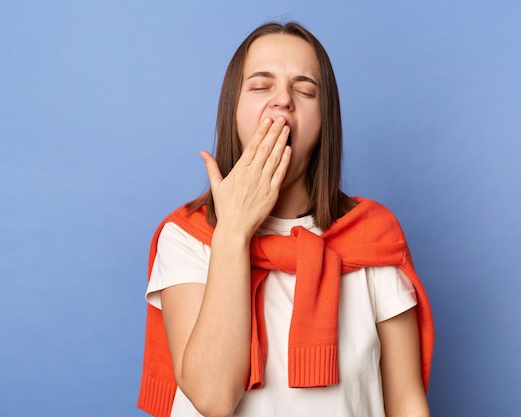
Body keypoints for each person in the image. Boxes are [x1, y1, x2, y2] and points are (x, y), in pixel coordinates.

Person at [138, 21, 433, 417]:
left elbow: (406, 402)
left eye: (305, 89)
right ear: (233, 111)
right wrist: (233, 230)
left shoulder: (372, 236)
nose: (283, 101)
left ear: (325, 120)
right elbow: (212, 398)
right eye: (261, 86)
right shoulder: (185, 237)